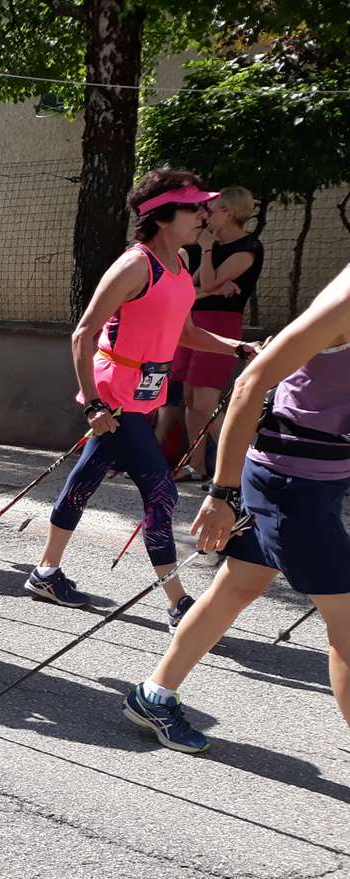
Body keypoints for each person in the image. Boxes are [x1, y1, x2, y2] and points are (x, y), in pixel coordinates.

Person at [119, 262, 350, 756]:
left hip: (318, 479)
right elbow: (249, 386)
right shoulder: (346, 300)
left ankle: (153, 695)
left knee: (238, 586)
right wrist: (221, 495)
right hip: (292, 483)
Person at [23, 170, 255, 628]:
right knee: (160, 489)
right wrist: (93, 403)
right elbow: (83, 333)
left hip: (144, 393)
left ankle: (46, 572)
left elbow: (185, 333)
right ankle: (178, 602)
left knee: (85, 479)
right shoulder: (135, 265)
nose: (203, 214)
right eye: (194, 208)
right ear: (165, 217)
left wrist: (238, 348)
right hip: (115, 397)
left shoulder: (182, 263)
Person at [166, 186, 264, 482]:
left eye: (213, 209)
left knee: (206, 402)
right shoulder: (208, 245)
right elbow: (199, 286)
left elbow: (206, 283)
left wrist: (208, 252)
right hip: (193, 321)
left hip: (221, 323)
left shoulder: (248, 248)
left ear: (229, 212)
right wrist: (208, 284)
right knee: (191, 398)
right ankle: (196, 465)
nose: (205, 214)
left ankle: (250, 463)